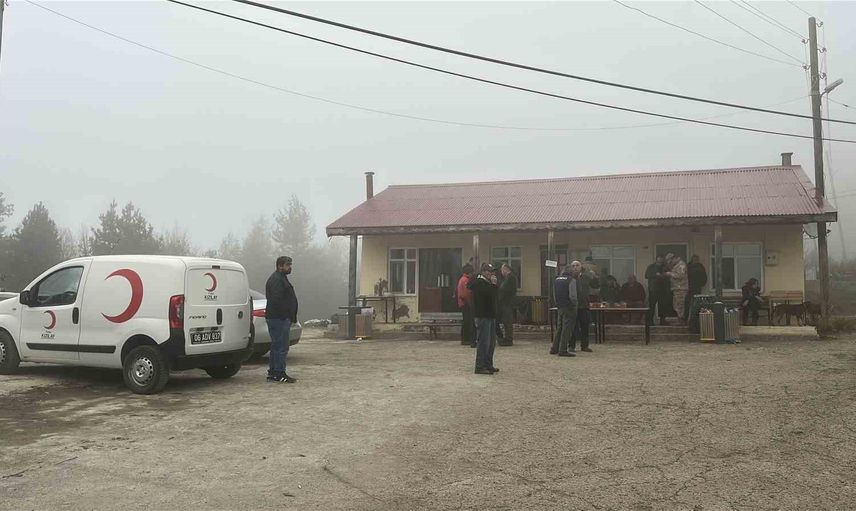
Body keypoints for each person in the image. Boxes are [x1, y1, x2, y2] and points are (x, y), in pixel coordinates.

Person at [265, 256, 299, 383]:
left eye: (290, 264)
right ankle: (279, 373)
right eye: (287, 265)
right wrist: (287, 315)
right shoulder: (277, 280)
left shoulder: (280, 278)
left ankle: (273, 373)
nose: (290, 267)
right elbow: (276, 300)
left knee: (276, 346)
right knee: (281, 347)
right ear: (280, 266)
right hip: (279, 318)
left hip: (278, 317)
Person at [471, 263, 499, 374]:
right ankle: (480, 366)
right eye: (489, 271)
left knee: (491, 343)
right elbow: (487, 295)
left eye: (492, 271)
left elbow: (493, 295)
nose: (491, 273)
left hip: (490, 315)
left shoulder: (487, 283)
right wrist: (493, 285)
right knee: (484, 342)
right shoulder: (479, 283)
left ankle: (488, 364)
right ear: (483, 272)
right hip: (483, 316)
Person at [570, 260, 598, 353]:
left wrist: (595, 277)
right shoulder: (569, 278)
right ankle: (571, 346)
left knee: (585, 327)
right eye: (573, 266)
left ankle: (585, 346)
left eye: (577, 265)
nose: (575, 267)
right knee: (572, 327)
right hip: (573, 307)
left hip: (584, 305)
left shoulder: (586, 277)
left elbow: (595, 286)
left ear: (581, 267)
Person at [550, 265, 577, 357]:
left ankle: (554, 348)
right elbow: (573, 296)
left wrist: (557, 304)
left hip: (560, 306)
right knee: (566, 329)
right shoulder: (571, 280)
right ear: (571, 272)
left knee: (559, 328)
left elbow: (554, 294)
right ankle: (563, 350)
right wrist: (574, 304)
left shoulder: (556, 280)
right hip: (569, 307)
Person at [645, 255, 671, 326]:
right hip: (653, 289)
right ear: (656, 260)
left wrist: (664, 275)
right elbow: (646, 275)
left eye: (661, 261)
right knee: (652, 306)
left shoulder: (665, 267)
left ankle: (663, 321)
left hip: (663, 289)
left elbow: (669, 276)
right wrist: (655, 275)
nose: (660, 262)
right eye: (658, 261)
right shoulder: (651, 267)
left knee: (663, 306)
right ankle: (650, 321)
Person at [497, 263, 517, 346]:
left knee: (507, 321)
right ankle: (507, 338)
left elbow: (504, 289)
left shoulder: (510, 277)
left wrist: (500, 298)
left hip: (507, 302)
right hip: (507, 302)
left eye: (502, 270)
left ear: (506, 269)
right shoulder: (509, 278)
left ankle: (508, 339)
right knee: (506, 321)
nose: (501, 272)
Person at [665, 253, 689, 324]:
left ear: (674, 258)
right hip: (677, 288)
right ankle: (680, 320)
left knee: (680, 305)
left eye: (671, 261)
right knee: (677, 304)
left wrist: (670, 274)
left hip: (681, 289)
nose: (670, 263)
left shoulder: (681, 265)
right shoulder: (677, 265)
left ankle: (681, 321)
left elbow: (680, 275)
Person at [456, 264, 475, 347]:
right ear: (469, 273)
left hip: (463, 303)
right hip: (466, 303)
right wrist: (470, 302)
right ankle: (466, 339)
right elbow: (466, 293)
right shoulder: (465, 280)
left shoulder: (462, 279)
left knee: (466, 321)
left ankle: (465, 339)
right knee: (467, 321)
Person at [685, 255, 708, 320]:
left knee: (696, 303)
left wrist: (701, 284)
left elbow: (704, 276)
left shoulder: (700, 267)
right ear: (692, 259)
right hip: (688, 288)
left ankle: (695, 318)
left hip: (697, 287)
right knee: (687, 303)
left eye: (697, 259)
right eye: (695, 259)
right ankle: (686, 318)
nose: (696, 260)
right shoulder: (688, 266)